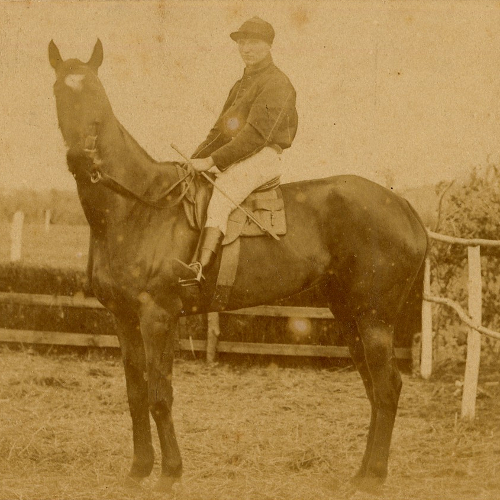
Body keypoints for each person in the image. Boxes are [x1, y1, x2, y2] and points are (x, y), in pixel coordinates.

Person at [178, 16, 298, 285]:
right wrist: (193, 160)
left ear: (268, 45)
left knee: (222, 194)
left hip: (264, 155)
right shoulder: (240, 85)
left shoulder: (277, 83)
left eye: (254, 42)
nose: (246, 48)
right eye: (242, 43)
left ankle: (200, 268)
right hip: (240, 153)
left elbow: (256, 135)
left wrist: (211, 160)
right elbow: (220, 132)